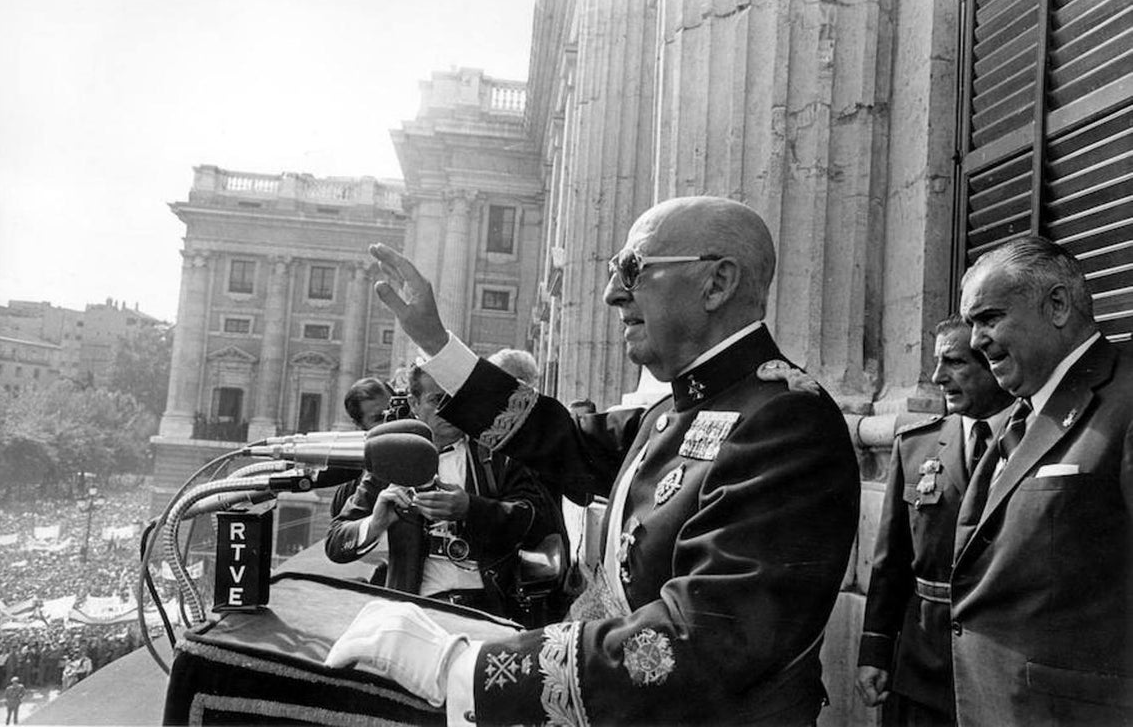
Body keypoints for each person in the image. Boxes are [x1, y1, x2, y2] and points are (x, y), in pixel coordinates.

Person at [324, 196, 860, 724]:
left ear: (716, 283)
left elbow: (705, 637)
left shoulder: (786, 422)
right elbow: (562, 441)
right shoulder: (678, 408)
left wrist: (469, 667)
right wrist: (438, 345)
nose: (610, 293)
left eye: (632, 269)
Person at [952, 236, 1133, 725]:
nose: (974, 342)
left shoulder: (1126, 400)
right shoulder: (1021, 415)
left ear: (1056, 305)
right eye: (971, 325)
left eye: (988, 318)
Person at [856, 315, 1013, 725]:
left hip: (1002, 663)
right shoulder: (916, 446)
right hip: (921, 661)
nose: (937, 377)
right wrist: (875, 650)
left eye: (955, 363)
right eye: (936, 362)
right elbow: (890, 562)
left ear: (995, 366)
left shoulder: (1034, 440)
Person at [325, 364, 568, 627]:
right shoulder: (393, 454)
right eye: (437, 400)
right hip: (417, 611)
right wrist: (375, 523)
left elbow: (537, 521)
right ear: (414, 403)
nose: (449, 409)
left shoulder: (495, 453)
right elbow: (336, 543)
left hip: (493, 608)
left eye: (456, 398)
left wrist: (471, 508)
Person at [329, 377, 396, 518]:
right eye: (379, 418)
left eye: (394, 412)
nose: (391, 422)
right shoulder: (349, 494)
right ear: (360, 425)